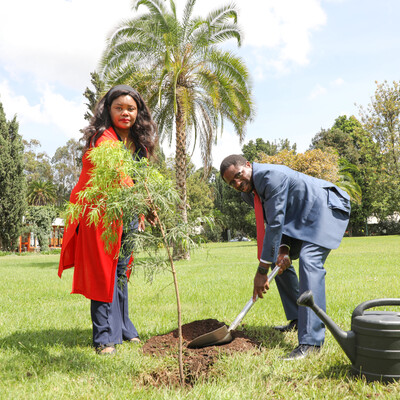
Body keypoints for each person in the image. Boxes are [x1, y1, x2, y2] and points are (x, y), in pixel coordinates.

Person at [58, 85, 158, 355]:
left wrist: (146, 209)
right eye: (119, 108)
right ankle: (104, 337)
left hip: (126, 215)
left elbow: (141, 181)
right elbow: (117, 175)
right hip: (100, 215)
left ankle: (124, 328)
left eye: (131, 109)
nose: (125, 113)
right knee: (104, 273)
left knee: (122, 272)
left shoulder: (139, 144)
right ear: (108, 110)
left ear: (139, 113)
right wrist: (137, 200)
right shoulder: (102, 138)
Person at [220, 154, 350, 360]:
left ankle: (311, 342)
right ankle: (298, 318)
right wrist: (283, 250)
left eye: (238, 175)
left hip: (325, 207)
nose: (237, 183)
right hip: (301, 217)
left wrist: (261, 272)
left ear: (247, 165)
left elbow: (275, 224)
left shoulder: (271, 177)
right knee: (276, 261)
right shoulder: (248, 193)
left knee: (309, 260)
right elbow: (273, 219)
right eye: (231, 183)